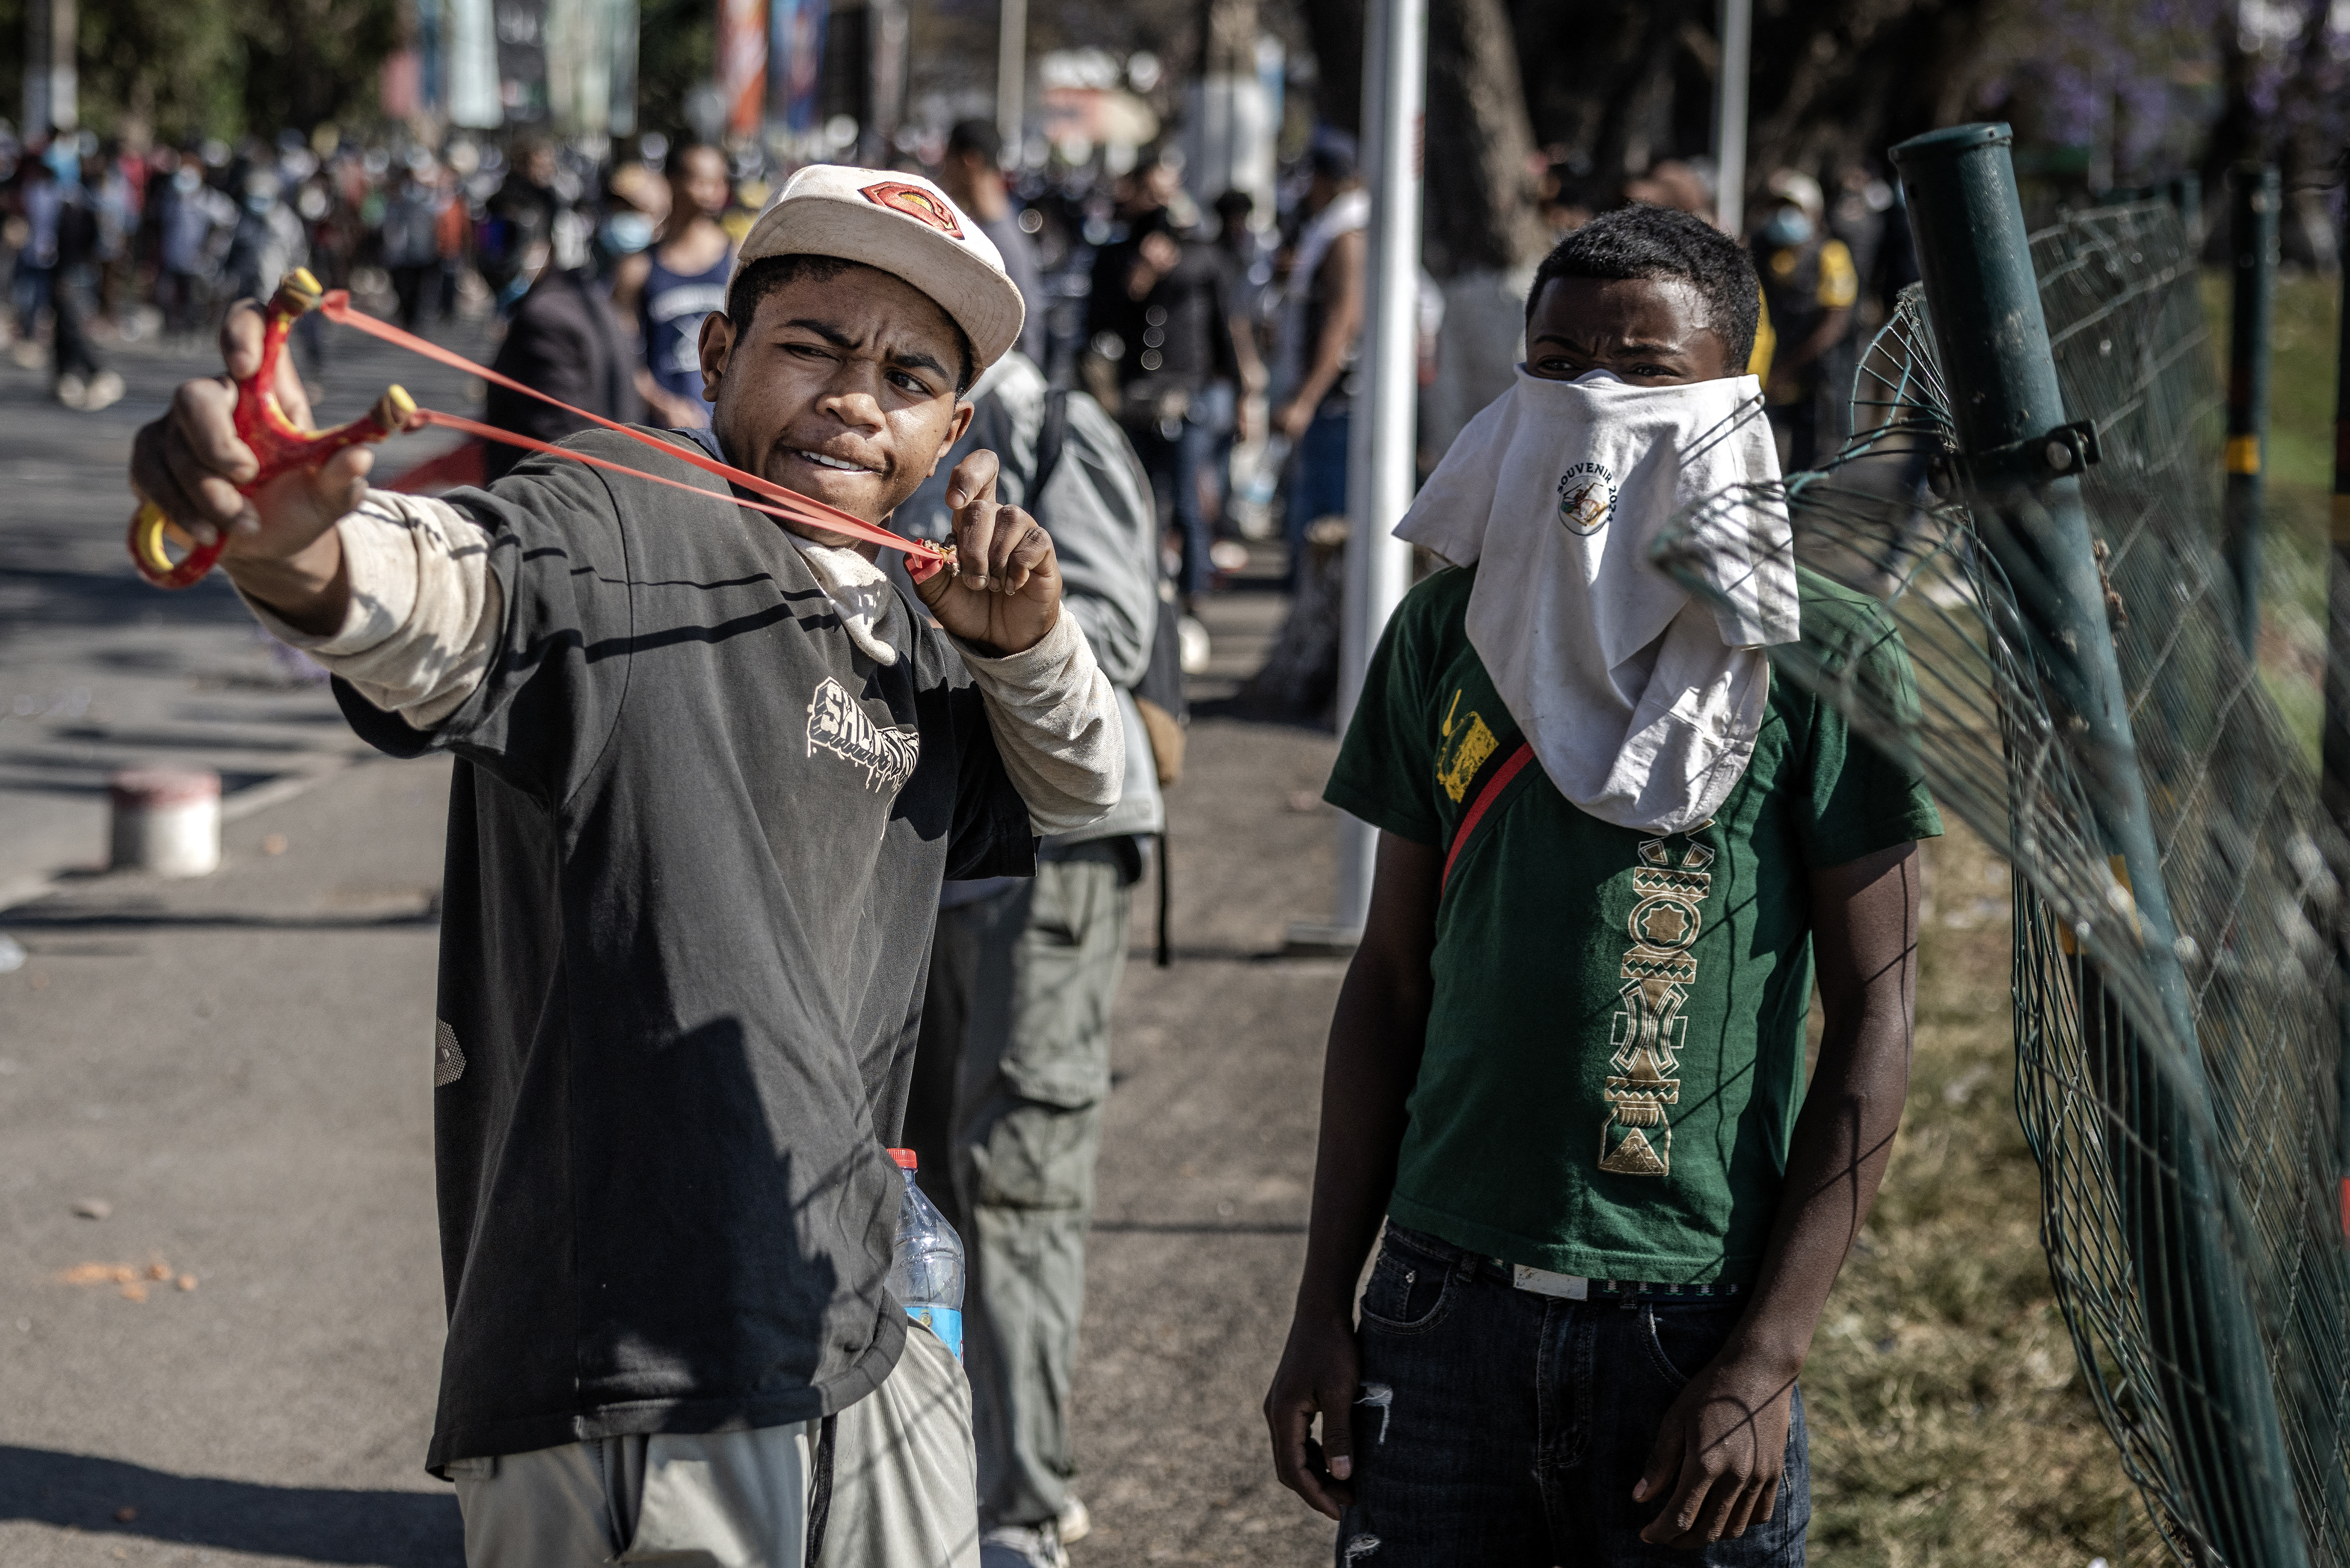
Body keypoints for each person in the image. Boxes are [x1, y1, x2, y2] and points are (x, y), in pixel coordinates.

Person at [128, 162, 1123, 1568]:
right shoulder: (621, 520)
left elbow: (1088, 787)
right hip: (633, 1365)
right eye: (811, 348)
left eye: (906, 377)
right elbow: (435, 591)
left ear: (952, 430)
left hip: (867, 1329)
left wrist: (1027, 639)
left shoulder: (922, 630)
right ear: (715, 355)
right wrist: (300, 549)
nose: (853, 397)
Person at [1262, 204, 1940, 1564]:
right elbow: (1392, 978)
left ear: (1733, 399)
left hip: (1686, 1320)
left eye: (1642, 371)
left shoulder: (1823, 659)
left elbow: (1877, 1021)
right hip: (1439, 1312)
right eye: (1557, 361)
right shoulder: (1445, 635)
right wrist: (1322, 1305)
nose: (1591, 402)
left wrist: (1766, 1359)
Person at [893, 344, 1164, 1568]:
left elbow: (1113, 635)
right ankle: (936, 1491)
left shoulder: (1056, 431)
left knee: (1015, 1171)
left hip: (1051, 845)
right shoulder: (856, 442)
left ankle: (1020, 1511)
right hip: (926, 850)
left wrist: (961, 616)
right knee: (928, 1174)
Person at [1085, 150, 1260, 605]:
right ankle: (1138, 593)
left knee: (1187, 499)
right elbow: (1098, 325)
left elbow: (1226, 326)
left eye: (1166, 193)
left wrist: (1243, 395)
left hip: (1187, 396)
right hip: (1133, 396)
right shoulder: (1115, 256)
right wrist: (1138, 280)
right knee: (1136, 502)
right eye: (1149, 194)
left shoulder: (1202, 255)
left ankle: (1191, 598)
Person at [479, 211, 644, 483]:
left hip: (564, 498)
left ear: (545, 247)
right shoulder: (586, 300)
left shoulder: (545, 316)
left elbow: (555, 439)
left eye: (506, 238)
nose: (494, 252)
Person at [1271, 135, 1367, 586]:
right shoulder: (1335, 230)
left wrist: (1306, 399)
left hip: (1336, 402)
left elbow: (1341, 321)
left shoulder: (1346, 236)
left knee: (1324, 530)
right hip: (1332, 401)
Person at [612, 139, 735, 429]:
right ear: (673, 181)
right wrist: (662, 404)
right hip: (665, 434)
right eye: (702, 181)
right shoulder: (637, 269)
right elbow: (622, 358)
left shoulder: (739, 258)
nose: (713, 192)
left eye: (719, 182)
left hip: (727, 431)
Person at [1752, 170, 1857, 471]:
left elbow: (1834, 324)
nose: (1782, 216)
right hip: (1765, 377)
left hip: (1812, 377)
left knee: (1807, 461)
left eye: (1792, 208)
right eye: (1776, 207)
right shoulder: (1761, 251)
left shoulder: (1831, 254)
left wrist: (1785, 370)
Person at [935, 119, 1047, 368]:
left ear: (969, 162)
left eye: (948, 160)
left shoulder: (1000, 240)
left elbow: (1028, 324)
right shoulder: (987, 227)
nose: (943, 170)